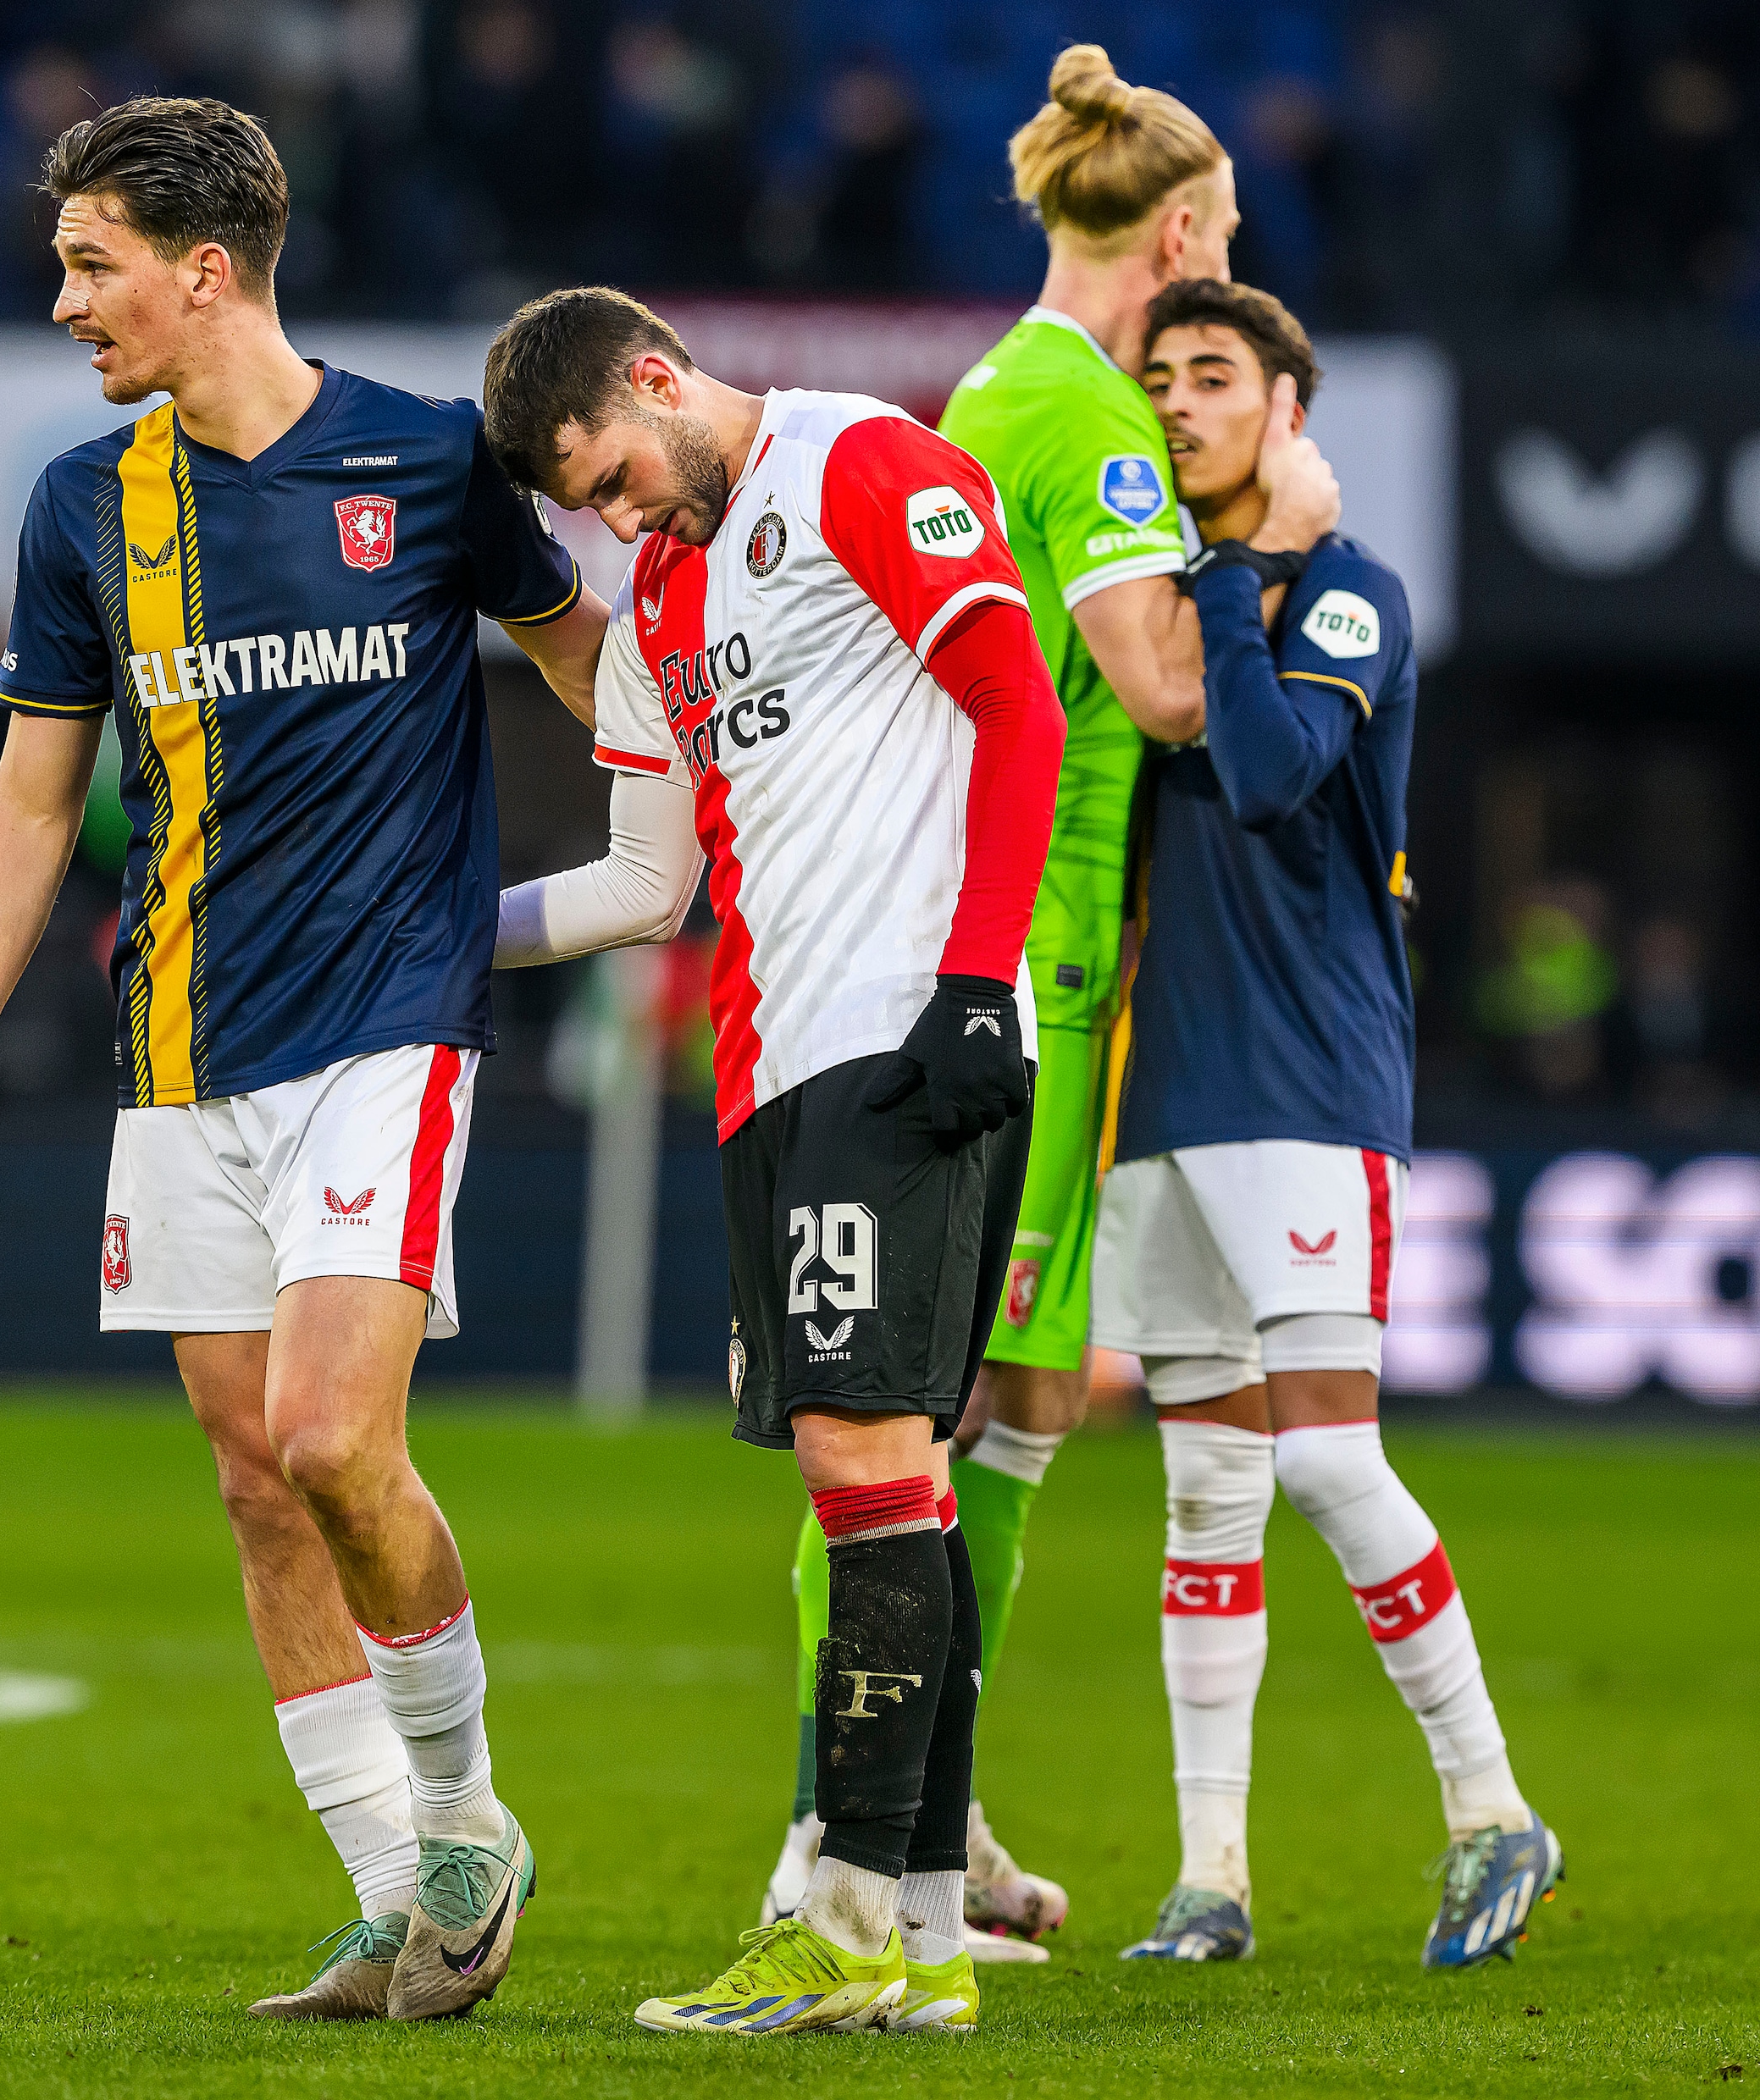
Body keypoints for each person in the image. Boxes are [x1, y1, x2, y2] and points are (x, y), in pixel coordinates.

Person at [0, 97, 606, 2023]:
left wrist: (722, 824)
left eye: (91, 264)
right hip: (182, 1048)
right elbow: (35, 800)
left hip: (387, 1027)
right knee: (250, 1476)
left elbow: (586, 662)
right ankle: (396, 1893)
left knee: (327, 1436)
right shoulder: (83, 507)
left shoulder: (430, 460)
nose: (66, 302)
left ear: (204, 271)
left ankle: (464, 1817)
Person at [764, 41, 1342, 1954]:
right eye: (1227, 234)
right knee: (917, 1406)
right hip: (1039, 945)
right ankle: (833, 1831)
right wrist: (1275, 521)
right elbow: (1163, 685)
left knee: (1005, 1396)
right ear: (1179, 231)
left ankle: (932, 1808)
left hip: (1000, 927)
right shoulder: (1088, 413)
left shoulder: (1005, 382)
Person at [484, 284, 1063, 2038]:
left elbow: (1017, 709)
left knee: (863, 1457)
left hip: (901, 1029)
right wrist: (426, 939)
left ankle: (838, 1916)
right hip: (769, 1068)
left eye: (618, 471)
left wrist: (975, 973)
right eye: (587, 504)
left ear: (660, 378)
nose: (621, 515)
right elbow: (644, 885)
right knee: (898, 1476)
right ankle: (934, 1938)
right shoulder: (663, 591)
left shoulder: (867, 462)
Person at [1099, 278, 1562, 1969]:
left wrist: (1230, 578)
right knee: (1206, 1494)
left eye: (1212, 376)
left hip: (1306, 1074)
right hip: (1168, 1089)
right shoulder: (1152, 610)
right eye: (1158, 378)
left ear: (1287, 406)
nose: (1176, 403)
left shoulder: (1348, 595)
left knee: (1325, 1456)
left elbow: (1280, 770)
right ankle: (1209, 1878)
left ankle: (1493, 1807)